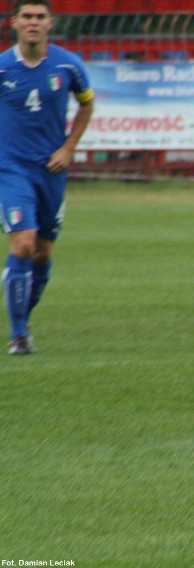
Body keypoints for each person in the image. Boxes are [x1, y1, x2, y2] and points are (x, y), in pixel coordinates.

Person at [0, 0, 94, 355]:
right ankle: (19, 335)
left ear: (50, 23)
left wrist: (68, 148)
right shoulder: (3, 67)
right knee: (23, 243)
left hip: (51, 170)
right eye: (27, 17)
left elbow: (86, 105)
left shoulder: (69, 65)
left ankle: (23, 314)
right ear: (15, 23)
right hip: (10, 169)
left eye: (40, 17)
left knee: (42, 253)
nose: (34, 23)